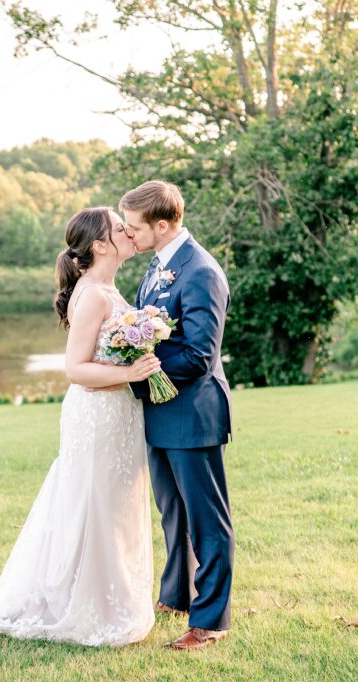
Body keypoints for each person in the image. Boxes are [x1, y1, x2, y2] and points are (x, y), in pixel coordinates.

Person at [0, 207, 161, 647]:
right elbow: (75, 369)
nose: (129, 232)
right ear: (99, 245)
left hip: (117, 413)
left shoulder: (108, 288)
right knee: (94, 504)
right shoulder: (92, 294)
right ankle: (91, 607)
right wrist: (131, 374)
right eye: (119, 229)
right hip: (97, 414)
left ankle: (114, 599)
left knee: (114, 504)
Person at [121, 180, 235, 651]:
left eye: (133, 228)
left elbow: (200, 354)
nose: (128, 235)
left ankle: (210, 621)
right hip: (161, 410)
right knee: (173, 512)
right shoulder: (158, 265)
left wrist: (136, 374)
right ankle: (176, 595)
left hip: (193, 413)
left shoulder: (200, 271)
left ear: (162, 225)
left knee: (207, 521)